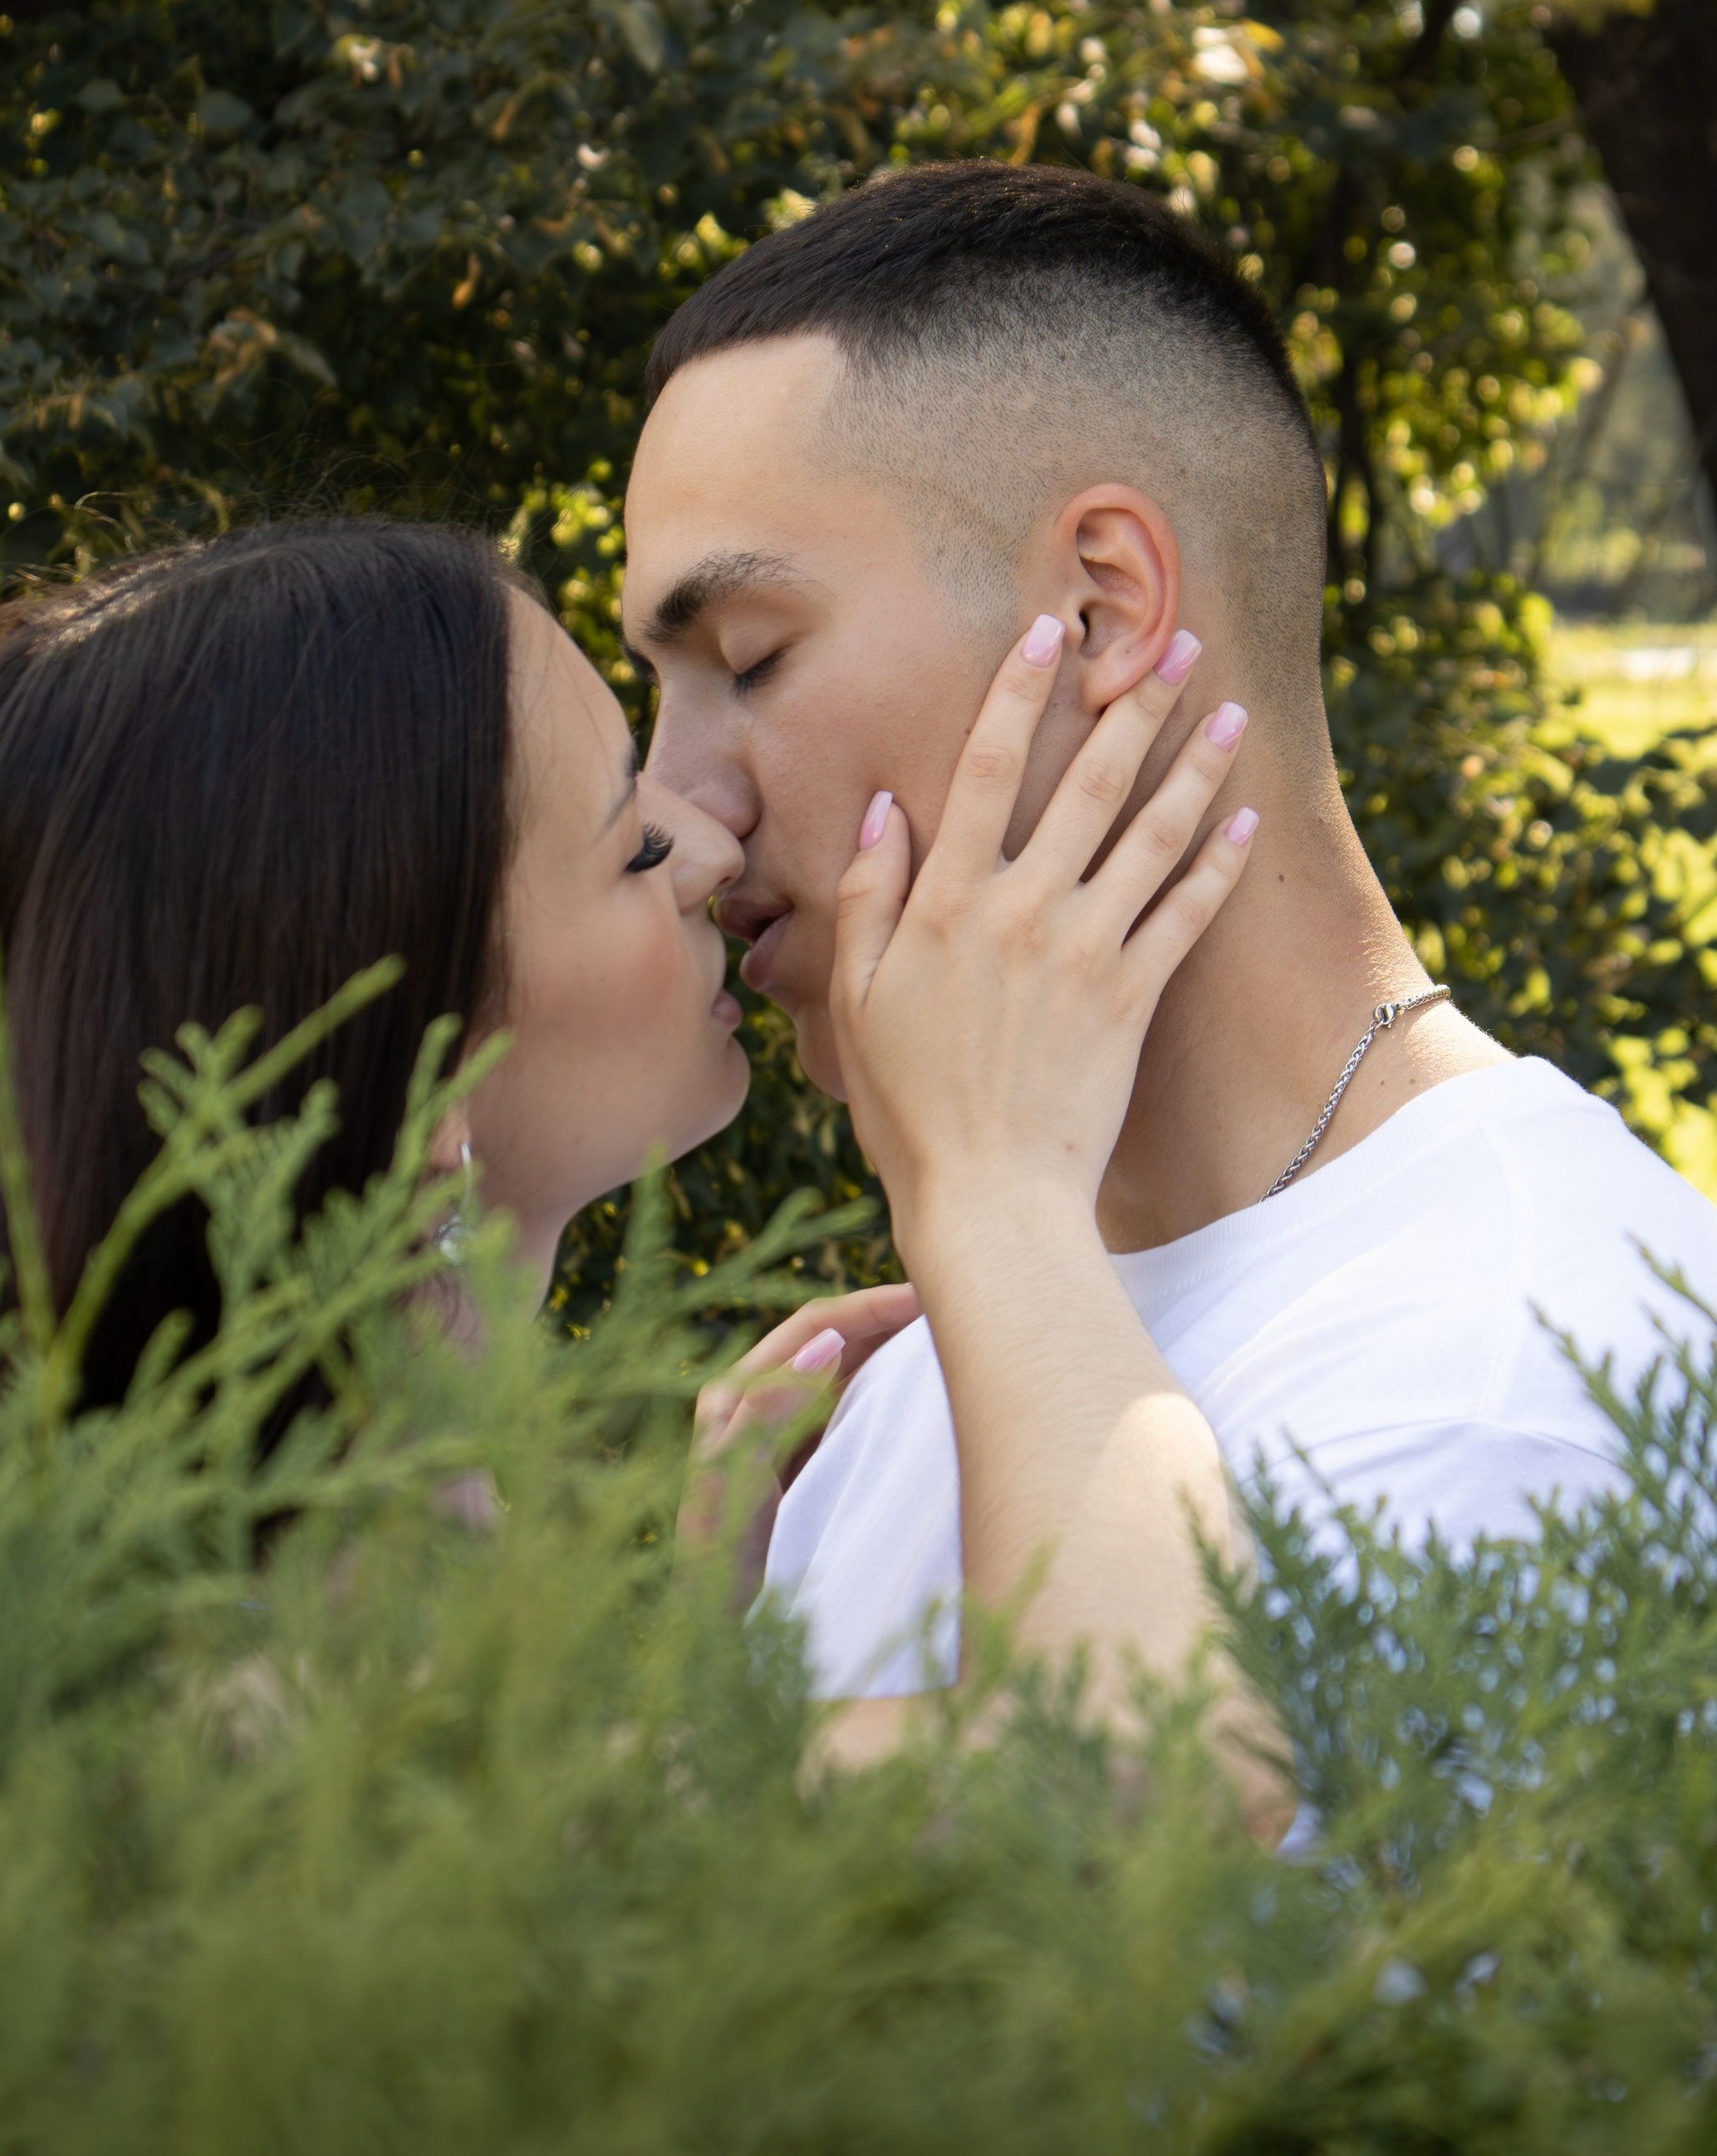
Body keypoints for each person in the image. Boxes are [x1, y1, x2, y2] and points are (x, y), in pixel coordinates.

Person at [0, 513, 1278, 1803]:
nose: (708, 847)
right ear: (424, 1087)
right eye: (629, 850)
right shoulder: (271, 1737)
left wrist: (695, 1619)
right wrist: (997, 1186)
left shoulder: (261, 1644)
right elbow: (1161, 1763)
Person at [621, 159, 1717, 1716]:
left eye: (750, 656)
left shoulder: (1498, 1388)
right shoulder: (906, 1387)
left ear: (1100, 614)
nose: (677, 806)